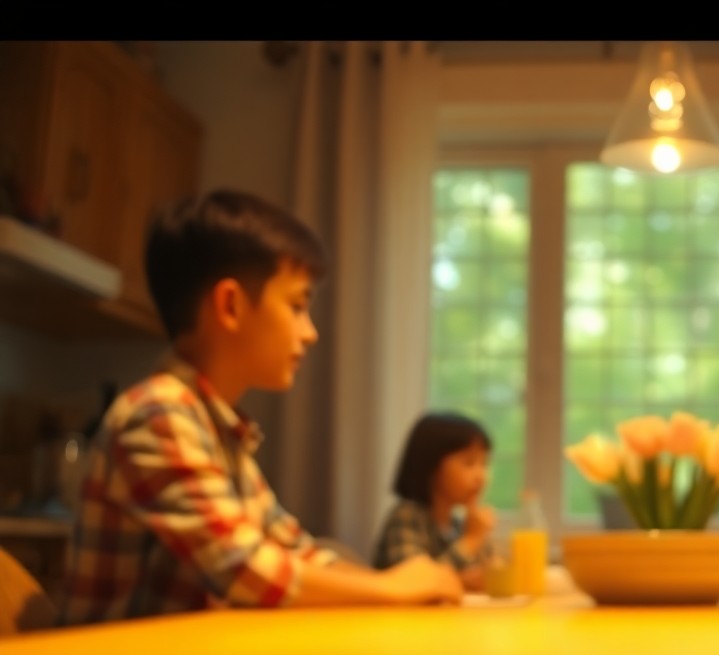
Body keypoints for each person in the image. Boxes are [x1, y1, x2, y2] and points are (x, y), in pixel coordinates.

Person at [61, 189, 463, 626]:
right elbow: (244, 567)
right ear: (230, 306)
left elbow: (295, 550)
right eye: (296, 306)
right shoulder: (159, 413)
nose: (309, 333)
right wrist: (390, 589)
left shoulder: (215, 427)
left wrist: (402, 585)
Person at [372, 412, 497, 591]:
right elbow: (412, 583)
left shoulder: (458, 525)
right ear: (431, 466)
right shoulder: (407, 516)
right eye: (469, 463)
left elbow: (483, 573)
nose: (481, 476)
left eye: (484, 464)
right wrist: (471, 540)